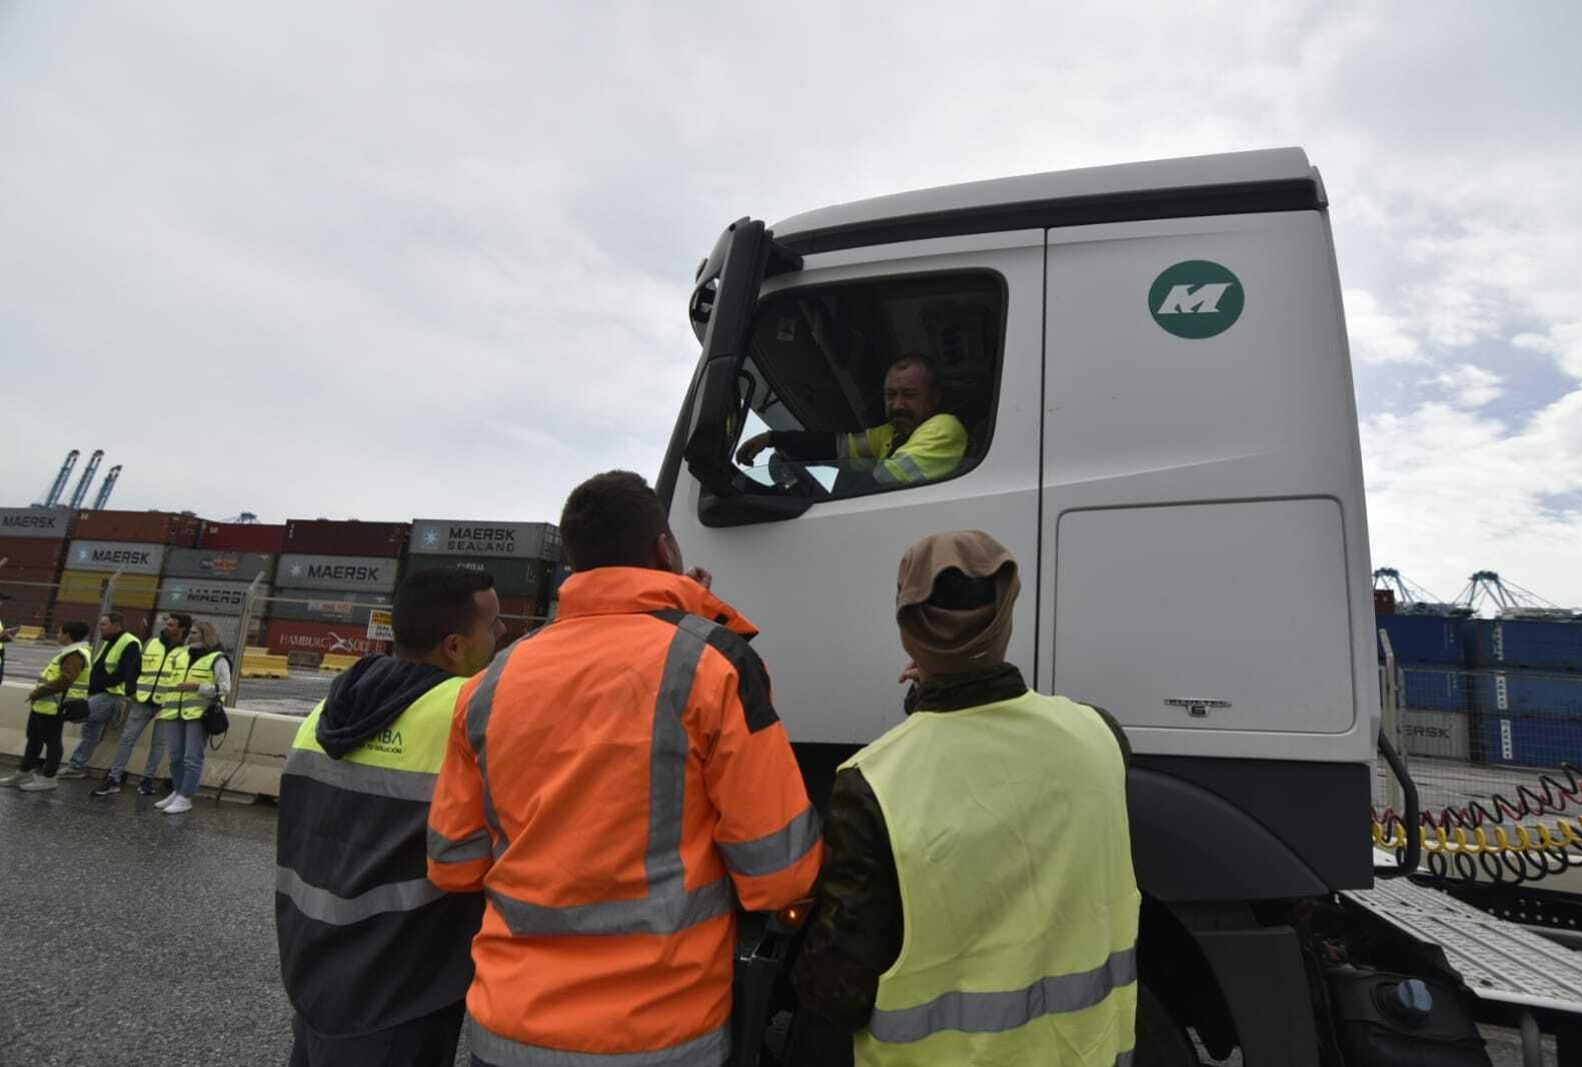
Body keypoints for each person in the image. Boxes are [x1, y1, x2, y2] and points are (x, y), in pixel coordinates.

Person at [427, 470, 822, 1066]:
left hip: (509, 1030)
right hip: (661, 1036)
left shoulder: (491, 682)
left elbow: (452, 864)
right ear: (665, 549)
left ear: (573, 563)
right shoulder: (712, 667)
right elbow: (780, 875)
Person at [793, 530, 1139, 1067]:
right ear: (1007, 613)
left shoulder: (871, 784)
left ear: (910, 634)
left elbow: (839, 993)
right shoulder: (1101, 735)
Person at [277, 568, 504, 1067]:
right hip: (402, 989)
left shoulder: (328, 710)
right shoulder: (466, 713)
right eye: (492, 625)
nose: (502, 635)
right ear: (454, 646)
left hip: (313, 966)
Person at [735, 354, 968, 488]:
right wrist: (775, 438)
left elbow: (880, 485)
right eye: (890, 395)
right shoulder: (891, 434)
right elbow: (838, 448)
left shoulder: (944, 427)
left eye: (909, 395)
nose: (898, 405)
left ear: (935, 397)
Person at [92, 612, 191, 797]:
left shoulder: (188, 651)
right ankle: (113, 778)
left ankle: (147, 780)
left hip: (167, 705)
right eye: (167, 624)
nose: (167, 627)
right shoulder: (151, 643)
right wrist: (131, 691)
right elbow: (134, 668)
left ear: (182, 629)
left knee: (159, 745)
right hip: (142, 700)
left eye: (171, 625)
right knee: (127, 740)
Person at [0, 622, 92, 792]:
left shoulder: (75, 655)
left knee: (52, 743)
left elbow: (65, 680)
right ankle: (24, 772)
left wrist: (38, 693)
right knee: (33, 740)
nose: (57, 635)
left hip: (54, 707)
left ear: (67, 635)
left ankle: (49, 778)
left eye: (59, 631)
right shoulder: (68, 652)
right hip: (43, 706)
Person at [152, 620, 231, 815]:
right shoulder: (180, 654)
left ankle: (185, 797)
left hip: (197, 714)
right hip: (172, 711)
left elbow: (225, 688)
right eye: (191, 633)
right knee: (175, 756)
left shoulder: (217, 659)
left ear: (206, 635)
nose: (190, 636)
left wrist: (198, 687)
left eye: (195, 633)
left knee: (192, 758)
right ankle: (178, 791)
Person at [58, 611, 143, 779]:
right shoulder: (111, 641)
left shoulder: (129, 642)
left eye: (104, 624)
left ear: (117, 626)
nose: (99, 628)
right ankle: (77, 767)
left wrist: (103, 683)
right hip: (99, 693)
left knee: (71, 715)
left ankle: (72, 765)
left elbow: (126, 671)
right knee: (91, 733)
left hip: (110, 695)